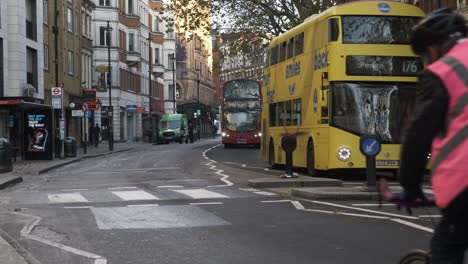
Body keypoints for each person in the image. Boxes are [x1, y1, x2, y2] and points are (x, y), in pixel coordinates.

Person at [398, 8, 468, 264]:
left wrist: (410, 185)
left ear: (435, 48)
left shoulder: (442, 72)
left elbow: (419, 134)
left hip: (464, 181)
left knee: (447, 246)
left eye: (425, 55)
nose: (426, 61)